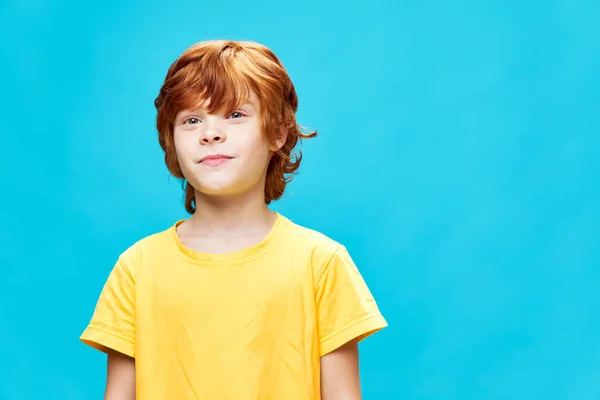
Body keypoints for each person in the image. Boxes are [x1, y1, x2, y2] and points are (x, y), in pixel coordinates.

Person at [80, 39, 387, 400]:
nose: (210, 133)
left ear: (277, 132)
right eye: (192, 120)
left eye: (235, 114)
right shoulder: (137, 268)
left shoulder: (321, 263)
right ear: (172, 141)